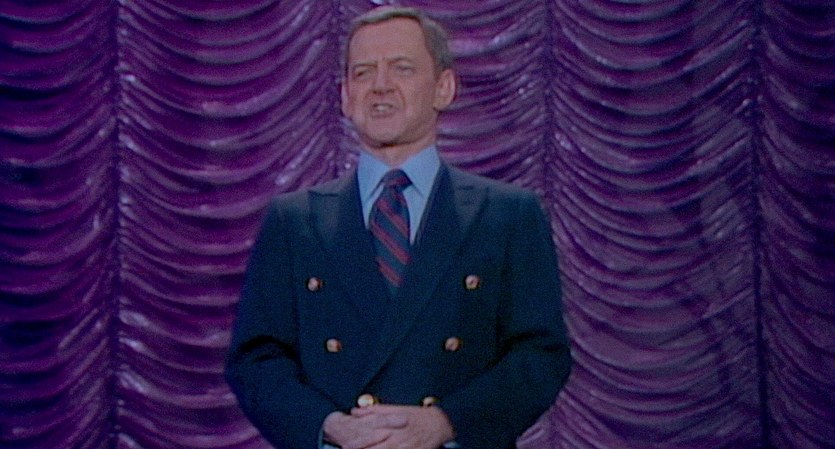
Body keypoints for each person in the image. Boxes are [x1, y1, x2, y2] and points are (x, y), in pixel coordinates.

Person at [225, 6, 571, 449]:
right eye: (363, 72)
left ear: (444, 88)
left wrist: (445, 423)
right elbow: (255, 361)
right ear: (345, 96)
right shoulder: (294, 222)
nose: (381, 86)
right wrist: (331, 426)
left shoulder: (508, 215)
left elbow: (540, 356)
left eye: (401, 68)